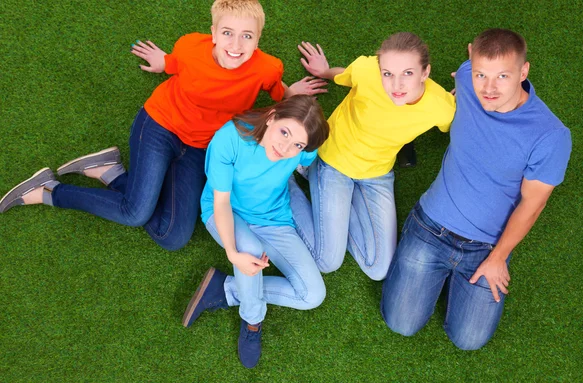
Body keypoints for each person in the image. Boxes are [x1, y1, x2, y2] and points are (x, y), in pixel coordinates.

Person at [0, 0, 326, 251]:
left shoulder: (267, 67)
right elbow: (177, 62)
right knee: (135, 213)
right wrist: (165, 63)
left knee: (172, 237)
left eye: (247, 36)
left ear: (258, 39)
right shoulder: (189, 47)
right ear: (213, 33)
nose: (236, 45)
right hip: (160, 126)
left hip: (201, 147)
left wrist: (291, 94)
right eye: (227, 33)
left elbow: (276, 93)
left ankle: (109, 170)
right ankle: (49, 191)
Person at [380, 29, 572, 350]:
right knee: (400, 323)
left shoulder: (551, 136)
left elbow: (532, 205)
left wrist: (498, 257)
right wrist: (466, 78)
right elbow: (466, 75)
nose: (489, 88)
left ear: (523, 72)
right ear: (471, 59)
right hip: (431, 226)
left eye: (502, 76)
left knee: (468, 340)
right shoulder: (468, 77)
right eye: (482, 74)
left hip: (486, 247)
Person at [289, 32, 456, 281]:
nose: (396, 85)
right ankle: (287, 184)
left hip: (376, 174)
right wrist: (325, 72)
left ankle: (316, 181)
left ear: (425, 72)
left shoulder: (440, 105)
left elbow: (461, 125)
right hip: (335, 160)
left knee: (378, 269)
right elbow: (345, 75)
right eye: (387, 73)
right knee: (327, 261)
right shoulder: (367, 71)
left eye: (408, 73)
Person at [181, 95, 329, 368]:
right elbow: (221, 202)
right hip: (225, 211)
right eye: (284, 132)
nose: (285, 147)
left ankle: (225, 289)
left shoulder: (304, 150)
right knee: (247, 251)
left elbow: (304, 157)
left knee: (312, 295)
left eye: (297, 144)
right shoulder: (231, 138)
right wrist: (232, 253)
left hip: (274, 218)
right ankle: (252, 321)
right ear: (272, 116)